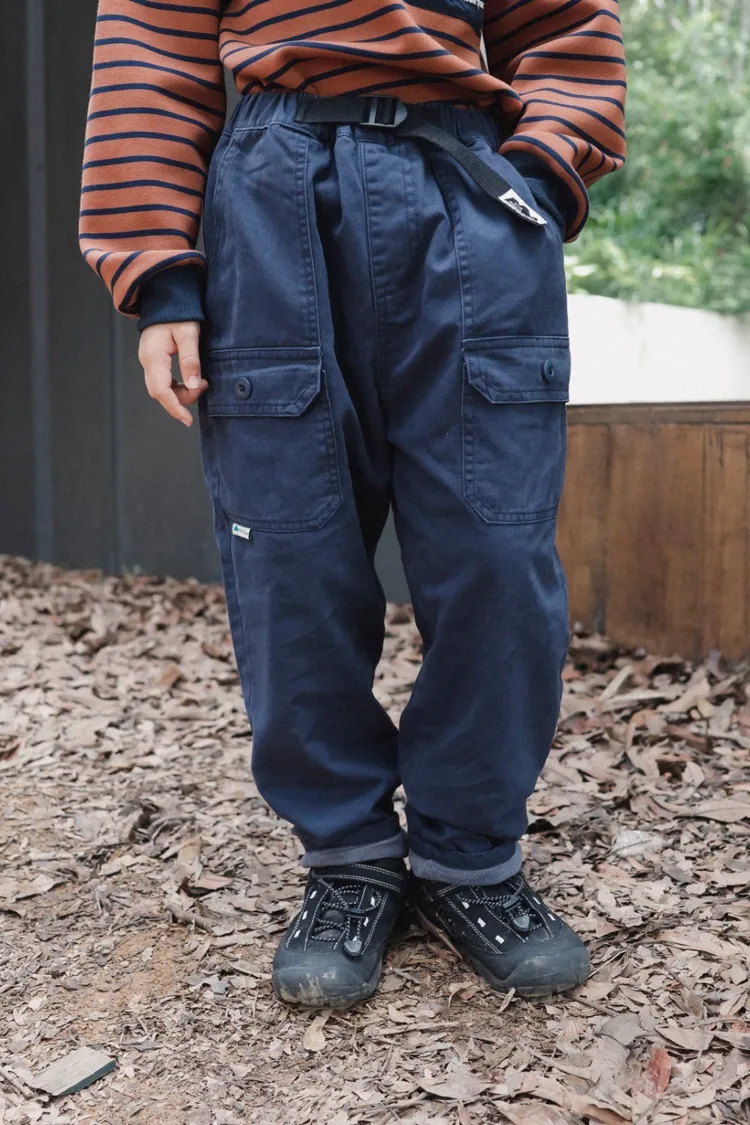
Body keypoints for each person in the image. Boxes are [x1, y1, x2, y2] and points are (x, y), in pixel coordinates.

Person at [79, 0, 626, 1009]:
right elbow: (148, 55)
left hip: (466, 190)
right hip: (272, 197)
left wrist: (540, 177)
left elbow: (566, 31)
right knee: (290, 554)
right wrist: (158, 276)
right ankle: (350, 857)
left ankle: (471, 858)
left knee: (499, 555)